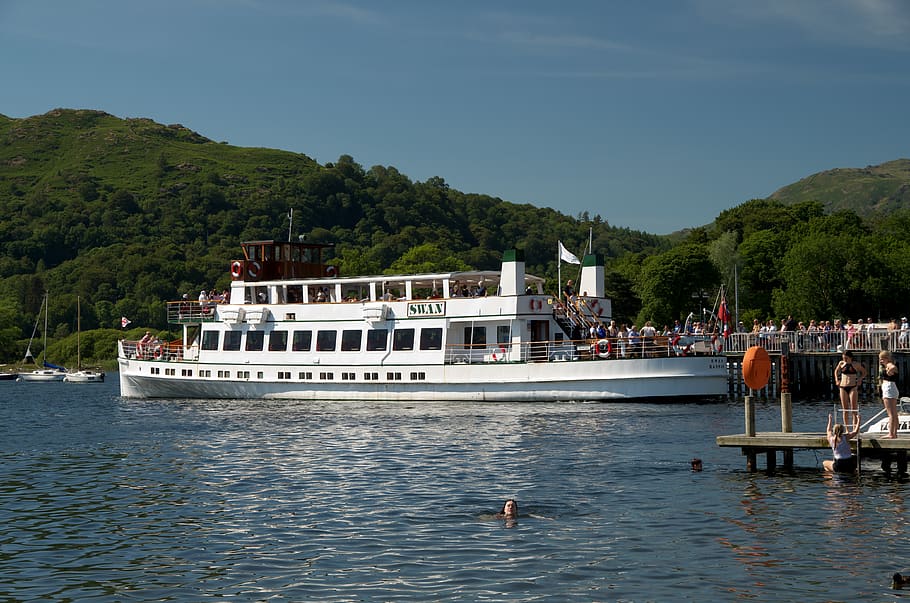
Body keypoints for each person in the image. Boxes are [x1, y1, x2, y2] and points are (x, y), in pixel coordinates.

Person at [834, 350, 866, 425]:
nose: (844, 359)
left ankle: (855, 428)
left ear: (850, 358)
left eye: (846, 358)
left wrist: (860, 379)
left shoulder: (856, 364)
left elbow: (864, 372)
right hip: (843, 386)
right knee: (845, 409)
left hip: (852, 387)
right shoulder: (841, 363)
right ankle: (847, 428)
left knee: (853, 409)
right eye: (843, 358)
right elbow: (836, 371)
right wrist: (836, 379)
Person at [879, 350, 900, 438]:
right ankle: (894, 433)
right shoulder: (887, 365)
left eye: (882, 359)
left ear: (887, 359)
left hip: (888, 387)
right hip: (892, 387)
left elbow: (894, 367)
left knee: (890, 413)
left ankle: (891, 433)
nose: (880, 361)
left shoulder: (889, 364)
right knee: (894, 412)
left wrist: (889, 370)